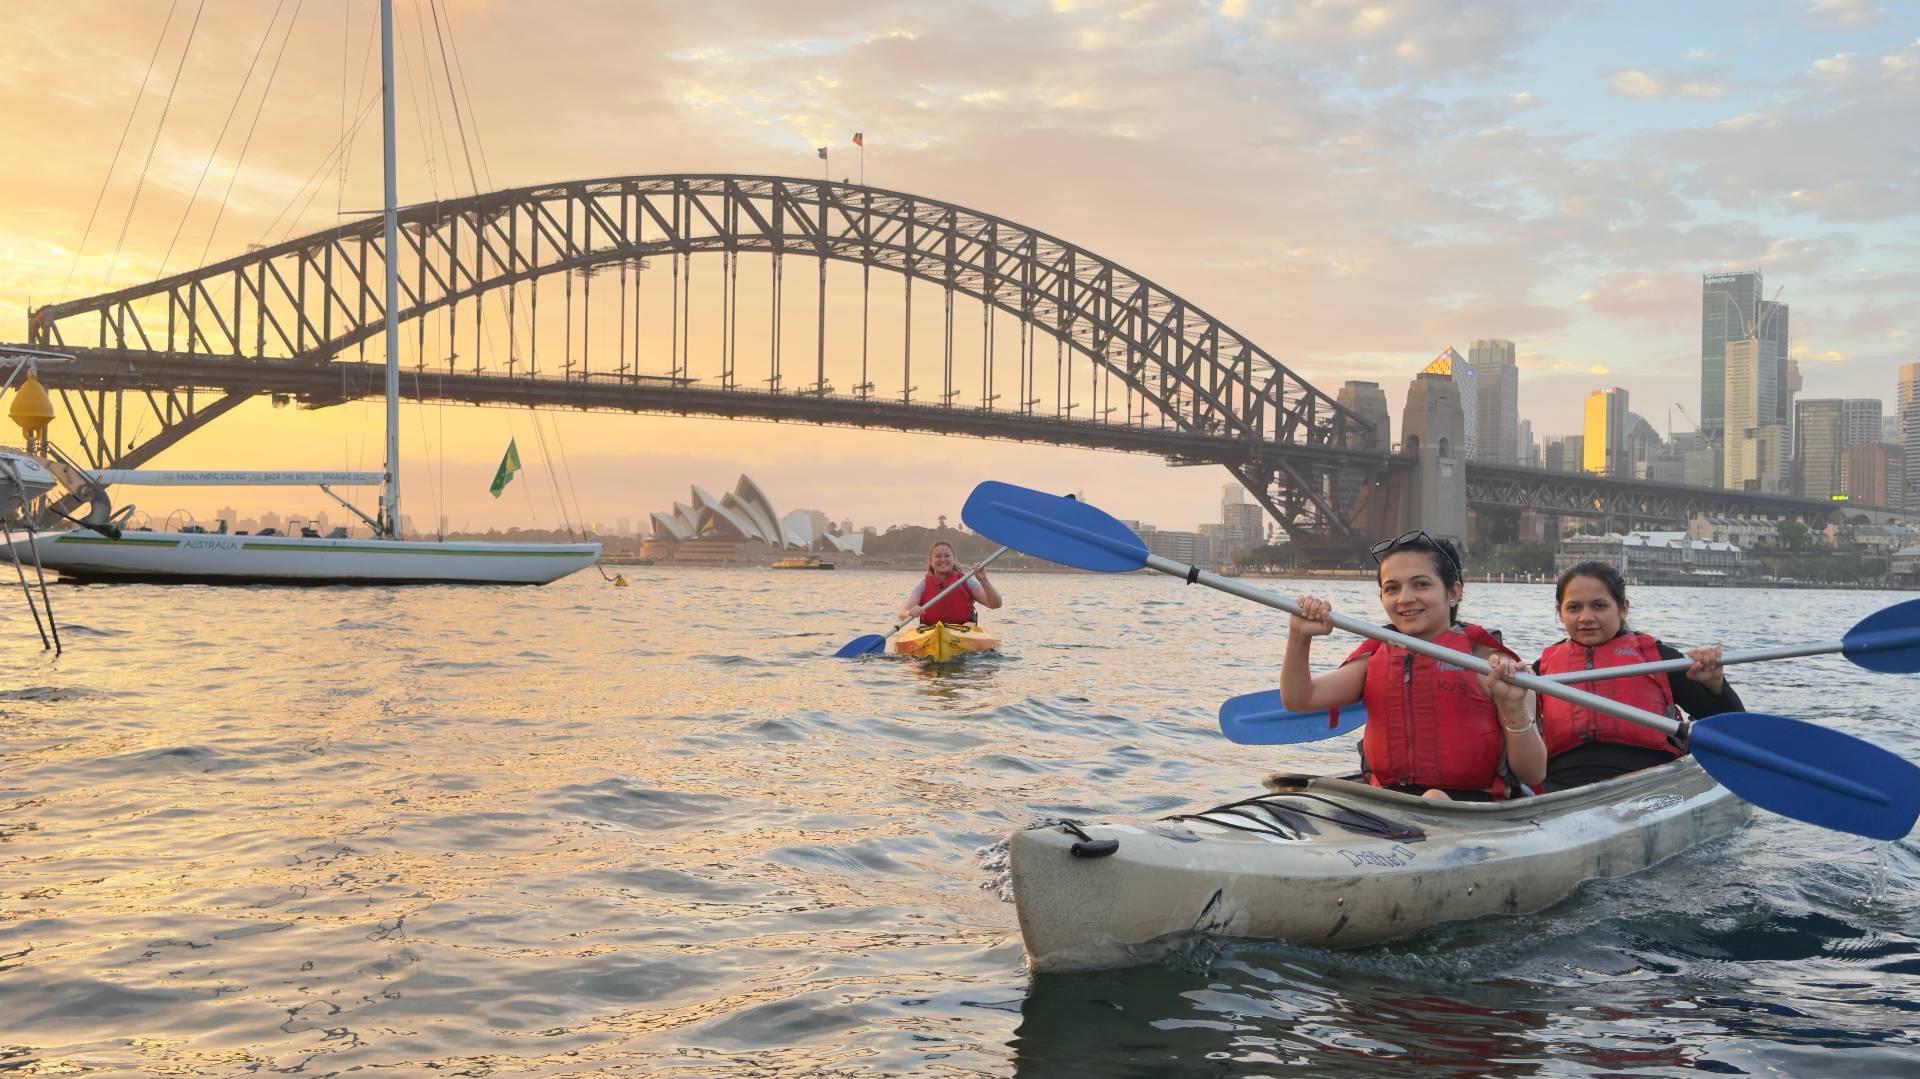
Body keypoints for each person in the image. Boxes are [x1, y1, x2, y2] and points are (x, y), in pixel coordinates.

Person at [1279, 530, 1545, 800]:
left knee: (1434, 799)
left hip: (1473, 810)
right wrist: (1299, 636)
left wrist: (1513, 710)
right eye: (1391, 588)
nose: (1404, 598)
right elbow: (1300, 699)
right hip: (1392, 806)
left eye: (1420, 584)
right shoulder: (1374, 658)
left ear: (1454, 592)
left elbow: (1534, 774)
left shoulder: (1491, 664)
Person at [1533, 560, 1743, 790]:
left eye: (1599, 606)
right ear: (1560, 613)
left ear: (1622, 608)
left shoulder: (1657, 659)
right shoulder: (1540, 671)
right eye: (1574, 608)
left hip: (1653, 780)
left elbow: (1734, 728)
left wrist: (1715, 685)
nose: (1586, 618)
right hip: (1563, 784)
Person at [899, 541, 1002, 627]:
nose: (943, 559)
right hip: (931, 632)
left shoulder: (966, 581)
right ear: (931, 561)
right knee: (922, 627)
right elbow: (902, 613)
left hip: (964, 630)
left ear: (953, 559)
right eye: (938, 556)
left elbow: (995, 604)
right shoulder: (923, 586)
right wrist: (909, 613)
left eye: (947, 556)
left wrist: (984, 580)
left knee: (968, 625)